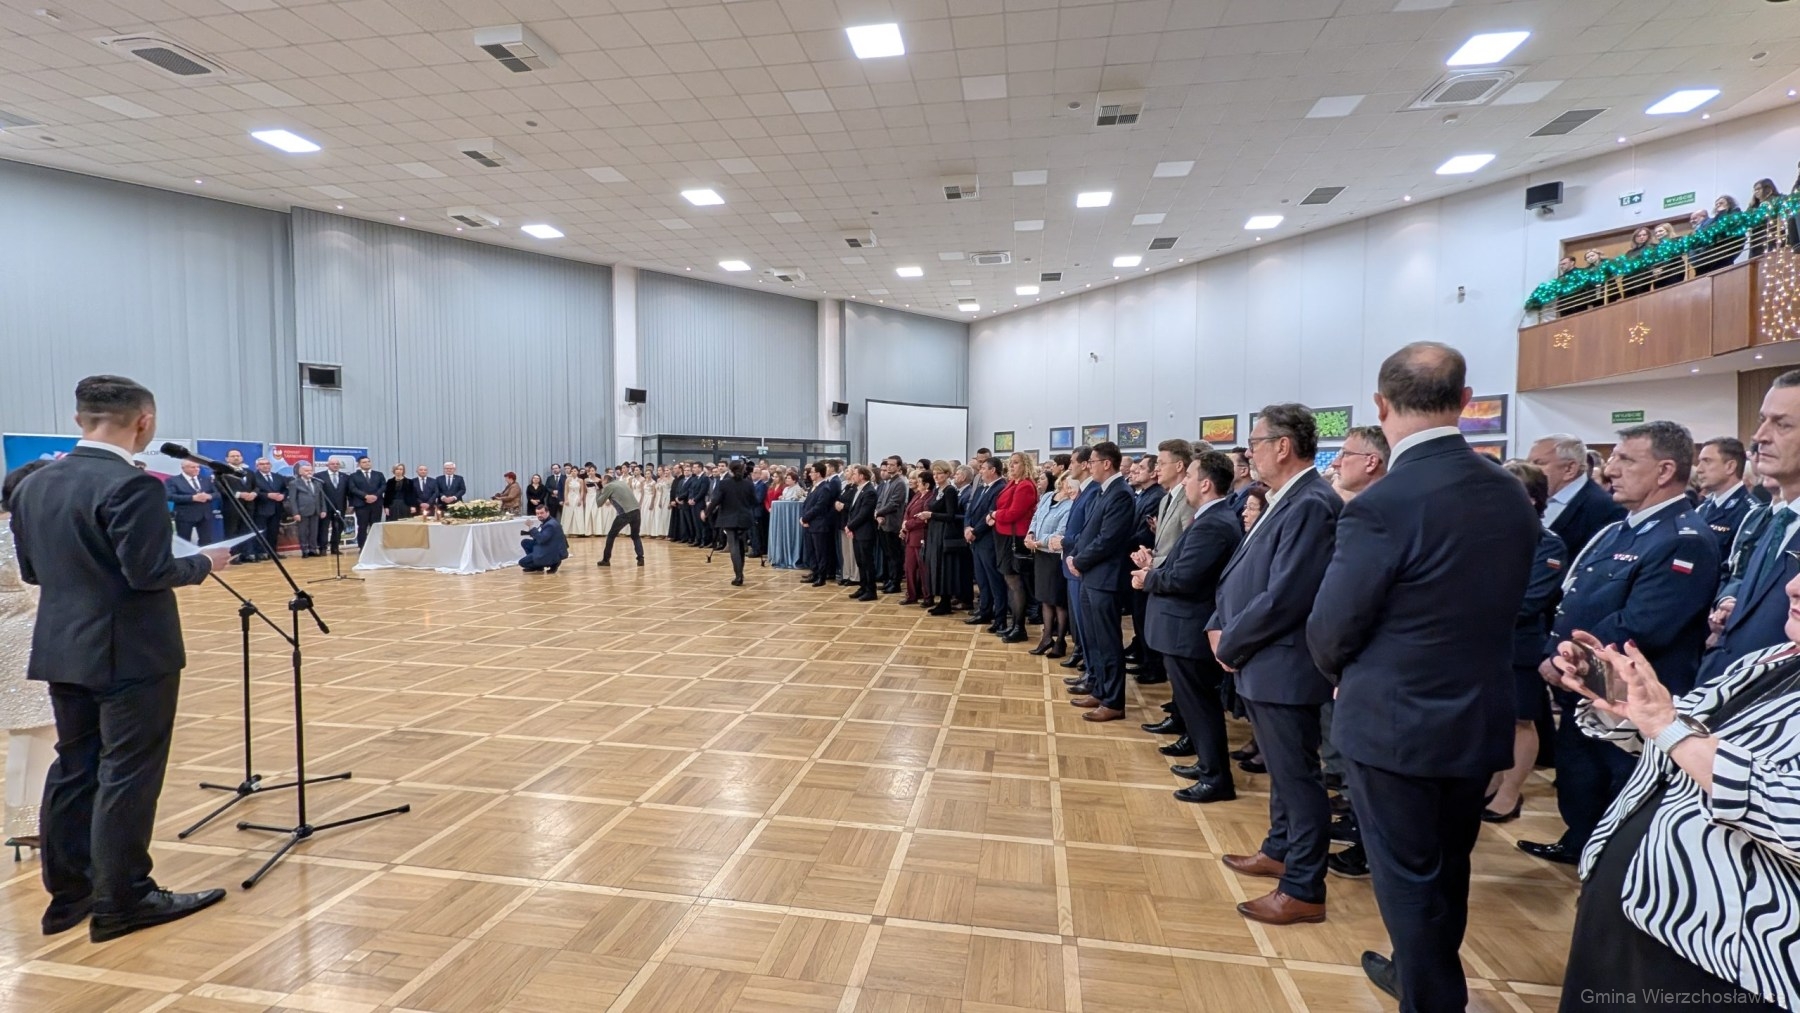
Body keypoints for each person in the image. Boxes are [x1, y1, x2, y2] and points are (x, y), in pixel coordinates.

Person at [1306, 344, 1541, 1008]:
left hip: (1394, 722)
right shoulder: (1508, 492)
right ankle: (1419, 974)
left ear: (1381, 406)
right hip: (1477, 714)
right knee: (1448, 865)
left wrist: (1341, 672)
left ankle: (1432, 996)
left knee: (1407, 876)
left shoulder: (1382, 503)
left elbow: (1332, 625)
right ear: (1465, 401)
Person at [6, 375, 232, 942]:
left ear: (79, 419)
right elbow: (150, 572)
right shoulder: (134, 486)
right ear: (144, 422)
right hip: (131, 652)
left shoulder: (34, 484)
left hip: (62, 645)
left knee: (74, 766)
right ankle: (125, 898)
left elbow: (32, 570)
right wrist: (205, 564)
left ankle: (70, 895)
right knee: (128, 772)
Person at [1541, 580, 1800, 1013]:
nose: (1793, 586)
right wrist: (1625, 700)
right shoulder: (1774, 658)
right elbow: (1683, 748)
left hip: (1721, 957)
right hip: (1635, 911)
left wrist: (1668, 726)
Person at [1519, 421, 1721, 869]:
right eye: (1613, 459)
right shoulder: (1619, 530)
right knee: (1580, 779)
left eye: (1626, 460)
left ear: (1665, 470)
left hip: (1629, 700)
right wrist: (1557, 652)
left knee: (1618, 788)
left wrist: (1568, 656)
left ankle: (1612, 871)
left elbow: (1645, 624)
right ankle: (1581, 846)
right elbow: (1576, 599)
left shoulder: (1683, 539)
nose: (1610, 469)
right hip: (1587, 688)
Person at [1208, 404, 1342, 927]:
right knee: (1285, 775)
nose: (1249, 453)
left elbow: (1286, 595)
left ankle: (1304, 886)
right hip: (1264, 659)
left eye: (1255, 443)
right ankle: (1280, 848)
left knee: (1298, 777)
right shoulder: (1287, 497)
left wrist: (1230, 641)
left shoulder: (1311, 503)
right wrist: (1220, 624)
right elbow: (1246, 575)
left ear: (1283, 446)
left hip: (1283, 662)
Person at [1138, 450, 1243, 803]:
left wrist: (1148, 578)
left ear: (1206, 484)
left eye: (1189, 476)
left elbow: (1184, 578)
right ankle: (1207, 765)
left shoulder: (1214, 523)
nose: (1184, 482)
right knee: (1197, 705)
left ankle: (1216, 778)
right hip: (1183, 627)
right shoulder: (1211, 518)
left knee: (1200, 706)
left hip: (1188, 628)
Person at [1483, 461, 1569, 825]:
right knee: (1492, 719)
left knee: (1521, 720)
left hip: (1521, 645)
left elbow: (1530, 600)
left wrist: (1473, 610)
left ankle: (1510, 792)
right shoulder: (1490, 536)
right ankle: (1492, 781)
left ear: (1532, 499)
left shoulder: (1548, 543)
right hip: (1486, 645)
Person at [1703, 374, 1800, 689]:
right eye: (1762, 421)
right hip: (1732, 691)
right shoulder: (1779, 520)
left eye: (1782, 425)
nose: (1759, 437)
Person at [2, 461, 55, 852]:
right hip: (26, 638)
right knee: (35, 731)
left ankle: (34, 816)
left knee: (33, 730)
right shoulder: (18, 535)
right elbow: (41, 592)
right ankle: (28, 820)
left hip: (13, 636)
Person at [1066, 442, 1136, 723]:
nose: (1089, 466)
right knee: (1094, 639)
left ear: (1107, 463)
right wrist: (1076, 555)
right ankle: (1099, 688)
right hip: (1092, 576)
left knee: (1108, 642)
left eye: (1092, 461)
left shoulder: (1121, 494)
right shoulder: (1103, 491)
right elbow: (1088, 531)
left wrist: (1080, 560)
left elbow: (1108, 539)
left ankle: (1113, 701)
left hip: (1105, 578)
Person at [1530, 434, 1626, 560]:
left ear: (1569, 469)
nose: (1529, 470)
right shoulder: (1531, 501)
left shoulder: (1608, 510)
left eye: (1538, 463)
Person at [990, 453, 1040, 643]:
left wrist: (995, 515)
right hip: (1004, 535)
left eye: (1016, 463)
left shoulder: (1026, 485)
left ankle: (1020, 627)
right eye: (1010, 463)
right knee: (1010, 581)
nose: (1011, 466)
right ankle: (1014, 625)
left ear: (1025, 464)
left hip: (1015, 538)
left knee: (1016, 583)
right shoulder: (1013, 483)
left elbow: (1014, 513)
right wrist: (996, 514)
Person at [1025, 472, 1073, 655]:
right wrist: (1030, 534)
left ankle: (1060, 640)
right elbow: (1036, 517)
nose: (1068, 484)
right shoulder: (1047, 496)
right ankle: (1046, 638)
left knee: (1057, 599)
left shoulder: (1071, 504)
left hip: (1055, 555)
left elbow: (1062, 531)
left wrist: (1039, 541)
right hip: (1040, 554)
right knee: (1044, 597)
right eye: (1067, 480)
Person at [964, 457, 1009, 631]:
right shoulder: (982, 487)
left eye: (983, 468)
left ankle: (1000, 618)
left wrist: (975, 531)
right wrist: (967, 527)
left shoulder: (1000, 487)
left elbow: (990, 514)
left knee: (994, 581)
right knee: (982, 579)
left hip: (988, 540)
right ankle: (984, 611)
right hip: (976, 539)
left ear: (993, 470)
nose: (980, 471)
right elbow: (970, 510)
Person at [1693, 437, 1751, 559]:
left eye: (1707, 461)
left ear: (1730, 466)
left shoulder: (1749, 512)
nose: (1699, 469)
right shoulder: (1703, 508)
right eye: (1700, 462)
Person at [927, 464, 973, 614]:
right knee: (936, 565)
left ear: (947, 474)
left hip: (944, 532)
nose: (936, 476)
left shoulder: (950, 491)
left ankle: (945, 602)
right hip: (935, 531)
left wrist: (931, 515)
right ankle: (942, 600)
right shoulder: (937, 490)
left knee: (944, 567)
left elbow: (951, 515)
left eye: (939, 473)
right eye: (934, 473)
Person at [706, 459, 760, 586]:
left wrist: (707, 512)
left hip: (729, 518)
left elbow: (716, 500)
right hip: (744, 518)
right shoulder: (748, 484)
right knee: (740, 545)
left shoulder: (724, 483)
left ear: (730, 470)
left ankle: (738, 575)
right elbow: (755, 502)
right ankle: (740, 573)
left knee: (734, 546)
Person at [843, 465, 880, 601]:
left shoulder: (869, 491)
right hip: (857, 531)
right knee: (860, 561)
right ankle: (863, 587)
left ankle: (871, 590)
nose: (852, 476)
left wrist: (850, 526)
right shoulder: (858, 489)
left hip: (865, 531)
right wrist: (850, 526)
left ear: (862, 476)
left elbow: (864, 513)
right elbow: (853, 511)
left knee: (867, 562)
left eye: (855, 474)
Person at [596, 469, 645, 567]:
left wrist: (598, 489)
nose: (601, 482)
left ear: (606, 480)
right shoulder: (622, 483)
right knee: (635, 535)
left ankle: (606, 560)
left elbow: (599, 503)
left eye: (602, 480)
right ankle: (640, 558)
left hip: (625, 513)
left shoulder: (609, 486)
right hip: (636, 511)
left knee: (611, 535)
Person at [218, 449, 259, 562]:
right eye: (233, 456)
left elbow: (256, 486)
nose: (236, 458)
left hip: (249, 506)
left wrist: (254, 493)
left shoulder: (249, 472)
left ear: (242, 458)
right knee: (232, 531)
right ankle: (234, 556)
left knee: (247, 530)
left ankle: (247, 554)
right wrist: (239, 494)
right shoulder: (222, 473)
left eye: (238, 455)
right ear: (227, 459)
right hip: (232, 506)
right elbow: (221, 488)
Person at [874, 457, 908, 595]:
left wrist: (879, 512)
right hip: (883, 523)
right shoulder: (888, 482)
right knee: (888, 555)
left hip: (893, 523)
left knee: (894, 556)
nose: (889, 467)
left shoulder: (900, 483)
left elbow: (894, 503)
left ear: (899, 467)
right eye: (888, 464)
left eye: (892, 465)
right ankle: (889, 580)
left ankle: (895, 583)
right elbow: (881, 500)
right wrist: (877, 513)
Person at [799, 462, 837, 588]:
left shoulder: (825, 488)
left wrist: (806, 518)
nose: (810, 474)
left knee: (821, 552)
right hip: (810, 524)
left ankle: (822, 576)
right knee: (811, 551)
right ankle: (814, 572)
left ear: (819, 473)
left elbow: (819, 506)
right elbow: (807, 504)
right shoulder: (814, 487)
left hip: (819, 524)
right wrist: (804, 518)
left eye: (812, 472)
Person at [901, 471, 934, 605]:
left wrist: (907, 525)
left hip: (921, 536)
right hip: (910, 536)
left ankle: (927, 596)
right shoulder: (917, 495)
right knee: (909, 567)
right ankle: (911, 595)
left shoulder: (930, 497)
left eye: (919, 482)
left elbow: (923, 519)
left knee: (923, 568)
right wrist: (904, 526)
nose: (917, 484)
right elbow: (907, 511)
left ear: (926, 485)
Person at [165, 459, 216, 545]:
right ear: (183, 468)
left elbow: (217, 493)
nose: (197, 469)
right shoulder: (173, 480)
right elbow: (169, 496)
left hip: (205, 515)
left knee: (206, 541)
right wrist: (192, 498)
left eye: (198, 467)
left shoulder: (206, 479)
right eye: (193, 467)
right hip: (185, 515)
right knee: (184, 542)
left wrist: (209, 496)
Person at [249, 458, 288, 560]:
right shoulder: (253, 477)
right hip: (261, 508)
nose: (265, 466)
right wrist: (267, 495)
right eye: (262, 464)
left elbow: (285, 489)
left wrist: (283, 496)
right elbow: (253, 492)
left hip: (276, 508)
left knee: (273, 532)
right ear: (257, 466)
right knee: (261, 532)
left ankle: (273, 552)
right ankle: (261, 552)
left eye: (267, 464)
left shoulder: (278, 477)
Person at [287, 462, 326, 558]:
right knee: (303, 532)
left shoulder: (317, 483)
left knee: (314, 531)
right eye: (306, 470)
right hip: (302, 511)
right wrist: (295, 513)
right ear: (300, 472)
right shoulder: (294, 483)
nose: (309, 472)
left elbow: (322, 498)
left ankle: (313, 549)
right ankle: (304, 550)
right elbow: (292, 499)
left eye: (311, 470)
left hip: (316, 510)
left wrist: (323, 510)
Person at [347, 456, 386, 549]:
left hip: (376, 504)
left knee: (375, 526)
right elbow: (352, 488)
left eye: (368, 461)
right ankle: (363, 547)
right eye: (364, 462)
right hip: (361, 505)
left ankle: (376, 547)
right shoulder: (353, 476)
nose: (367, 463)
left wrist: (375, 496)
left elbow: (383, 486)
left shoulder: (379, 474)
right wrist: (365, 496)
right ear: (359, 464)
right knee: (362, 527)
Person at [518, 503, 567, 573]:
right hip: (549, 546)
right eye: (537, 513)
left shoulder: (550, 525)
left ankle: (552, 563)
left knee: (522, 562)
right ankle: (539, 566)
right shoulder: (550, 521)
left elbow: (541, 539)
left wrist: (531, 527)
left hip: (550, 551)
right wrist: (530, 532)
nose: (539, 515)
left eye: (541, 513)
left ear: (547, 512)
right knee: (525, 542)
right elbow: (543, 535)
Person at [318, 458, 349, 554]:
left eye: (337, 464)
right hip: (325, 507)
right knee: (323, 528)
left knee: (338, 527)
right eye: (332, 464)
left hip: (340, 506)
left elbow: (348, 492)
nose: (335, 465)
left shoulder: (345, 477)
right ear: (327, 465)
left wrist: (350, 505)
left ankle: (335, 547)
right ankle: (322, 548)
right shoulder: (319, 476)